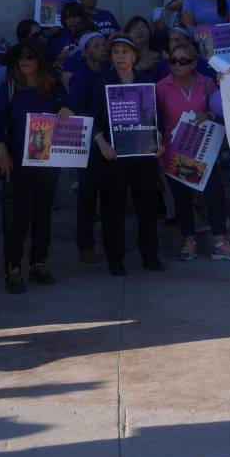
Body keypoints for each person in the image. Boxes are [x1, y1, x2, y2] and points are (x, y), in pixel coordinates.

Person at [0, 40, 72, 292]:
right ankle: (13, 268)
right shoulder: (11, 87)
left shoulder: (54, 86)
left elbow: (68, 109)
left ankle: (38, 262)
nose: (23, 62)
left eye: (29, 57)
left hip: (48, 161)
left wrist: (67, 108)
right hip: (18, 161)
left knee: (42, 213)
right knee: (18, 216)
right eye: (19, 58)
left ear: (40, 60)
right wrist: (2, 153)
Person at [156, 42, 230, 262]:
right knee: (182, 199)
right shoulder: (161, 87)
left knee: (214, 194)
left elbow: (220, 111)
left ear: (194, 63)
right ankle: (189, 242)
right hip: (174, 151)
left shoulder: (206, 84)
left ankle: (220, 243)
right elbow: (154, 120)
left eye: (182, 61)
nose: (176, 65)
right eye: (173, 60)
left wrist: (209, 116)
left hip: (203, 151)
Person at [89, 35, 162, 276]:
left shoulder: (146, 81)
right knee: (113, 209)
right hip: (113, 156)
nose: (120, 56)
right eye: (116, 52)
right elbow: (92, 120)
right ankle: (115, 258)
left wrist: (158, 142)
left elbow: (155, 118)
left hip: (142, 155)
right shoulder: (103, 82)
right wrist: (102, 144)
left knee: (147, 207)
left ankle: (150, 254)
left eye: (124, 51)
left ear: (134, 56)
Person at [67, 31, 109, 263]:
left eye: (104, 44)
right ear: (86, 52)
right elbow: (77, 111)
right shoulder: (81, 77)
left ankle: (110, 243)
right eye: (96, 45)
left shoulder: (110, 72)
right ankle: (86, 246)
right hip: (89, 144)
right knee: (87, 197)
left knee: (110, 197)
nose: (103, 48)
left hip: (110, 142)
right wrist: (96, 136)